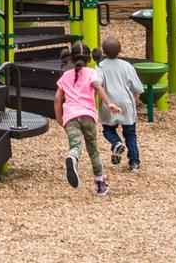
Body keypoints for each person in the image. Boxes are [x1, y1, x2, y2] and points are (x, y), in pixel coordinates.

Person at [54, 43, 110, 196]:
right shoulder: (92, 73)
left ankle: (73, 157)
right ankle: (100, 185)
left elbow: (57, 99)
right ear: (89, 59)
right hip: (88, 116)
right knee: (93, 150)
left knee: (75, 146)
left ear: (71, 59)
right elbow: (98, 88)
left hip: (71, 117)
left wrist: (60, 119)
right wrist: (109, 103)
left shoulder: (65, 76)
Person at [95, 36, 143, 172]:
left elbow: (97, 84)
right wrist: (136, 97)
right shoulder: (126, 66)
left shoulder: (100, 66)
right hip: (126, 102)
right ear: (120, 50)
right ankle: (134, 163)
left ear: (103, 52)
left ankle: (116, 143)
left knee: (108, 129)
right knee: (130, 133)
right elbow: (137, 87)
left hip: (108, 103)